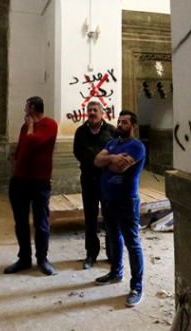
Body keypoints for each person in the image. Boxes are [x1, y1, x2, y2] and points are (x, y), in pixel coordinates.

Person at [93, 110, 147, 307]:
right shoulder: (113, 143)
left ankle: (137, 287)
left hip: (126, 200)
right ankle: (116, 272)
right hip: (108, 199)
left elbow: (118, 168)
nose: (120, 124)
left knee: (132, 242)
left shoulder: (137, 146)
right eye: (119, 121)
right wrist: (112, 158)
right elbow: (97, 161)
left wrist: (109, 160)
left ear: (133, 126)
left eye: (125, 122)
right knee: (113, 237)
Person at [4, 96, 59, 276]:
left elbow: (32, 142)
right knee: (20, 222)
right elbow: (22, 150)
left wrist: (29, 126)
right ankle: (24, 258)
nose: (24, 110)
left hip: (39, 181)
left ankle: (42, 258)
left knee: (41, 221)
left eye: (26, 107)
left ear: (33, 108)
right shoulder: (25, 127)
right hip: (20, 180)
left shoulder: (50, 124)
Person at [73, 100, 116, 269]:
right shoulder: (81, 131)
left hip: (107, 180)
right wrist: (96, 161)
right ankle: (91, 254)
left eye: (95, 110)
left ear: (102, 113)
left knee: (109, 217)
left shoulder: (111, 131)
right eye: (89, 110)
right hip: (88, 180)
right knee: (90, 218)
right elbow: (77, 152)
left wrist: (104, 162)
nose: (91, 113)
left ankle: (112, 254)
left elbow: (118, 150)